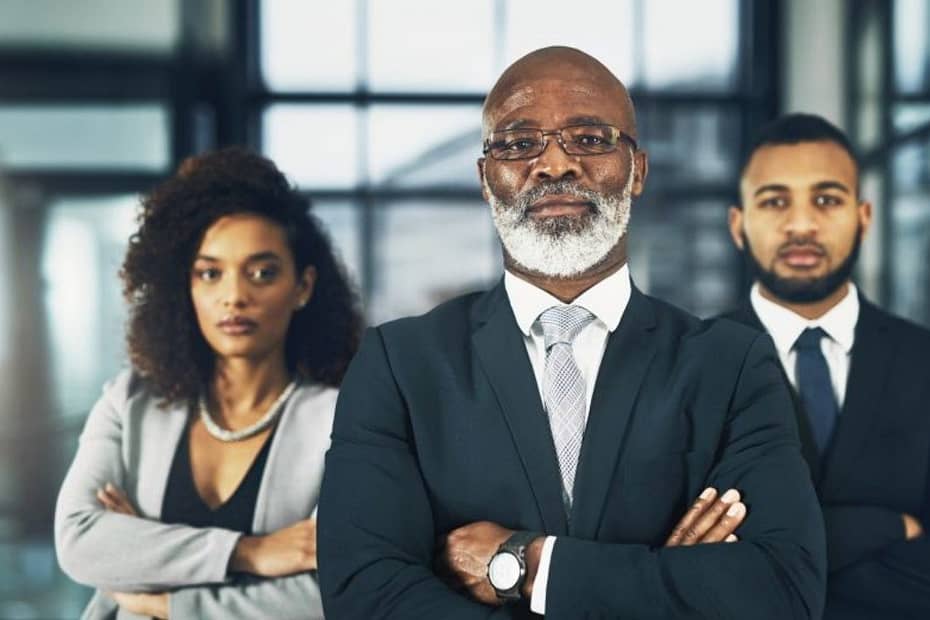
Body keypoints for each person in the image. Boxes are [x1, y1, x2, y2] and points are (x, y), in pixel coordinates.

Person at [318, 46, 825, 619]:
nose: (554, 164)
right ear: (486, 179)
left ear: (637, 171)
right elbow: (365, 594)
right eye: (518, 143)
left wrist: (527, 565)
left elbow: (782, 591)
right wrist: (666, 583)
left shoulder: (732, 366)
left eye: (589, 139)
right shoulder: (399, 366)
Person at [55, 147, 361, 619]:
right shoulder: (130, 401)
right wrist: (253, 553)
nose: (234, 296)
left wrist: (157, 589)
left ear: (301, 286)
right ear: (187, 285)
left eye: (262, 273)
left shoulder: (344, 419)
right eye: (210, 273)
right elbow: (79, 540)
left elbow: (328, 597)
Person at [722, 113, 930, 619]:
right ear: (737, 224)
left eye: (827, 199)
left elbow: (737, 562)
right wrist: (886, 528)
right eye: (774, 201)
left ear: (864, 216)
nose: (801, 225)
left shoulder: (924, 358)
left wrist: (770, 553)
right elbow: (686, 558)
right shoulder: (691, 363)